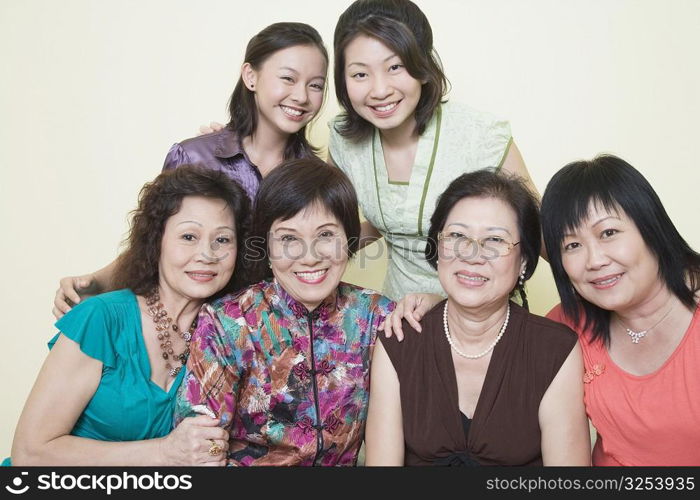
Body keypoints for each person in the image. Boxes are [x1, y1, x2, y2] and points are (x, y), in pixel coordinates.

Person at [52, 22, 328, 318]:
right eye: (288, 78)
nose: (301, 96)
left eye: (316, 85)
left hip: (277, 336)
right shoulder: (196, 156)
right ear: (250, 76)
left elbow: (330, 246)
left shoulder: (314, 176)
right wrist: (98, 281)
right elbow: (157, 244)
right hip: (190, 330)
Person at [8, 166, 250, 465]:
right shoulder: (100, 318)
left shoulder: (230, 337)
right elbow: (29, 454)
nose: (207, 254)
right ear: (156, 240)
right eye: (189, 236)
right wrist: (164, 452)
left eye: (223, 240)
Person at [174, 158, 395, 466]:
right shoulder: (226, 323)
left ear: (349, 239)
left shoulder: (376, 316)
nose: (309, 256)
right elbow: (199, 449)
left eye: (326, 235)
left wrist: (430, 299)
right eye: (289, 238)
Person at [365, 169, 591, 466]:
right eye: (457, 235)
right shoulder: (400, 341)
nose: (472, 255)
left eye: (495, 240)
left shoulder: (555, 350)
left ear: (523, 260)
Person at [329, 0, 538, 301]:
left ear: (423, 67)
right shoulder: (343, 139)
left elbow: (537, 234)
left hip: (482, 314)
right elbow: (375, 222)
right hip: (402, 315)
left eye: (395, 67)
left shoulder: (480, 134)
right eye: (360, 74)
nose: (379, 90)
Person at [541, 154, 700, 466]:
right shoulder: (566, 326)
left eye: (608, 233)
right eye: (572, 245)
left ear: (650, 228)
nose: (595, 260)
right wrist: (437, 301)